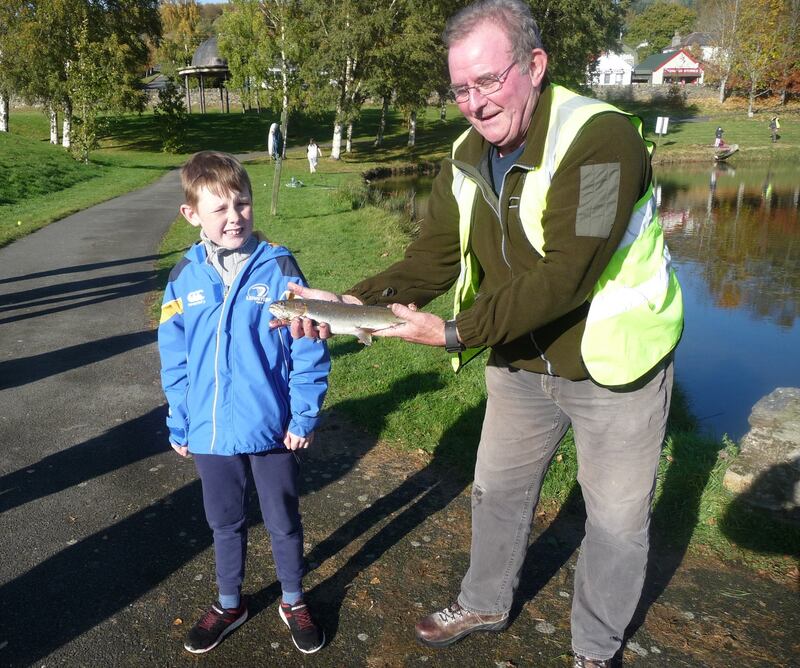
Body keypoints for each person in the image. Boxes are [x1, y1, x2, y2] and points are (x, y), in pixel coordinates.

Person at [274, 1, 683, 666]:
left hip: (614, 366)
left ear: (535, 65)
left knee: (615, 524)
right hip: (518, 359)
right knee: (497, 492)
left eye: (488, 81)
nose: (474, 103)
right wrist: (353, 301)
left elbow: (569, 274)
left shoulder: (603, 142)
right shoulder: (466, 155)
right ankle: (485, 602)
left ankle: (594, 648)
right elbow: (431, 259)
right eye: (460, 89)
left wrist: (457, 331)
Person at [158, 151, 330, 655]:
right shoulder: (183, 277)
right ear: (191, 214)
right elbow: (175, 358)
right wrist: (180, 421)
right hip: (209, 431)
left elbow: (308, 346)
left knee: (282, 518)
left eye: (243, 203)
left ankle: (293, 598)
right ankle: (230, 602)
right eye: (219, 209)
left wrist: (303, 414)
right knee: (224, 521)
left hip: (272, 427)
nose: (234, 217)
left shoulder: (279, 268)